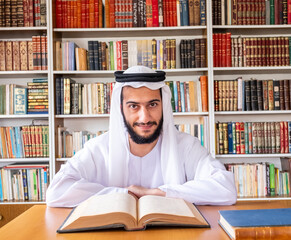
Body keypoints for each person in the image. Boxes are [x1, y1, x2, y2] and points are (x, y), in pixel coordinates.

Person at [46, 66, 237, 207]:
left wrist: (158, 193)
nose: (144, 117)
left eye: (152, 104)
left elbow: (226, 189)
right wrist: (124, 194)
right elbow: (57, 192)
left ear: (164, 106)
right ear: (121, 108)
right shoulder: (98, 149)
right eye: (134, 106)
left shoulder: (187, 146)